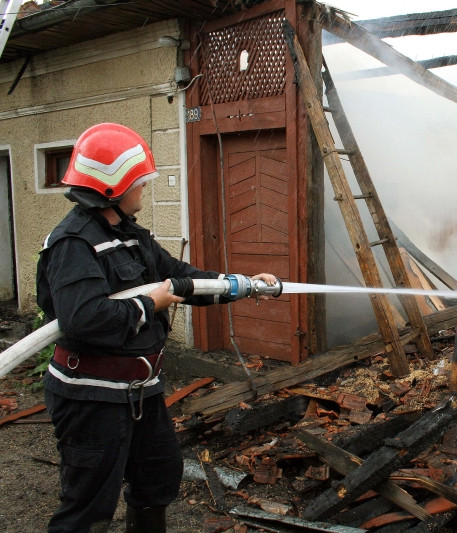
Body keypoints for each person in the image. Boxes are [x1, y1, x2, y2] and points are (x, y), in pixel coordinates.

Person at [36, 123, 278, 533]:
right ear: (113, 188)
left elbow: (180, 277)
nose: (144, 190)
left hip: (141, 392)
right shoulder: (73, 244)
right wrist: (151, 303)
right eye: (139, 182)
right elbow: (84, 319)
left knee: (158, 480)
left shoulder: (131, 236)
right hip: (91, 397)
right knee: (88, 506)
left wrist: (242, 284)